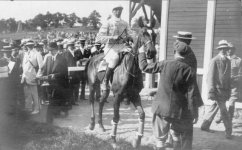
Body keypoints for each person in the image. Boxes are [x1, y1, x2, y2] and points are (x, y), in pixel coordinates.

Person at [138, 36, 202, 150]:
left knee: (160, 139)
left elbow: (144, 67)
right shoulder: (189, 70)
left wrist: (141, 53)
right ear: (186, 55)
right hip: (179, 111)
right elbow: (192, 95)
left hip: (161, 108)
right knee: (177, 136)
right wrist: (194, 113)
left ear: (174, 52)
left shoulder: (165, 64)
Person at [95, 5, 135, 95]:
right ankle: (105, 81)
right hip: (111, 48)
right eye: (116, 10)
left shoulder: (125, 23)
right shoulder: (107, 23)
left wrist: (130, 36)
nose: (119, 12)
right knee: (115, 58)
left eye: (120, 10)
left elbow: (131, 33)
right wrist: (112, 37)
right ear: (113, 11)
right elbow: (99, 38)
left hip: (123, 46)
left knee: (133, 56)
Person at [200, 40, 232, 139]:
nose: (223, 50)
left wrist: (229, 90)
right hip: (217, 90)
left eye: (225, 49)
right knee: (224, 111)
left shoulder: (228, 61)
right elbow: (210, 77)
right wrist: (211, 91)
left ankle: (204, 126)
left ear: (227, 50)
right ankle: (229, 131)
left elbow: (228, 77)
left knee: (214, 107)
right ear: (219, 49)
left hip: (225, 90)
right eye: (222, 48)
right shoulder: (214, 60)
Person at [39, 42, 68, 123]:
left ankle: (49, 120)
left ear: (55, 50)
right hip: (49, 84)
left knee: (52, 101)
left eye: (51, 50)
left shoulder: (62, 59)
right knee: (52, 100)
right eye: (49, 50)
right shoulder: (48, 58)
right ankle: (55, 114)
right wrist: (42, 76)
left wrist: (54, 75)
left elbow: (65, 73)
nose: (49, 52)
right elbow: (45, 70)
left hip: (59, 84)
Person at [215, 42, 242, 124]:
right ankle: (221, 116)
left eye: (231, 49)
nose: (229, 51)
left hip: (234, 85)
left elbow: (240, 74)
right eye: (228, 49)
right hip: (224, 84)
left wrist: (235, 78)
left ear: (234, 50)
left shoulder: (239, 60)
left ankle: (229, 119)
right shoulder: (223, 59)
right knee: (221, 101)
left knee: (231, 102)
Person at [21, 40, 43, 114]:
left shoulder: (37, 54)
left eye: (30, 45)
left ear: (33, 46)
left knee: (34, 94)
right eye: (27, 45)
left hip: (33, 77)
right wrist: (23, 75)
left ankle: (37, 109)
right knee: (27, 93)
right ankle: (28, 108)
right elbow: (24, 66)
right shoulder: (25, 54)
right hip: (25, 77)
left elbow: (41, 67)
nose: (29, 47)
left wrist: (38, 76)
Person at [62, 39, 80, 106]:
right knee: (69, 88)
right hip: (69, 73)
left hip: (76, 73)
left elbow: (78, 60)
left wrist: (78, 62)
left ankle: (74, 101)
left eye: (73, 45)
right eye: (70, 45)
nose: (72, 46)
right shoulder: (65, 53)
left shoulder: (76, 52)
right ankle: (70, 101)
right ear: (68, 46)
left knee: (76, 87)